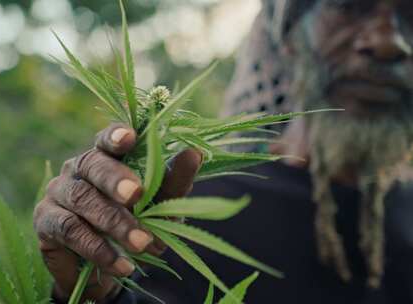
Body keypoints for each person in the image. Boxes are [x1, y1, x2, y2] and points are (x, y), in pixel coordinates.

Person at [33, 0, 413, 303]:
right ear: (288, 37)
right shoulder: (181, 213)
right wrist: (93, 289)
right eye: (349, 6)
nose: (389, 40)